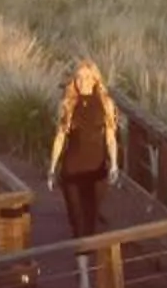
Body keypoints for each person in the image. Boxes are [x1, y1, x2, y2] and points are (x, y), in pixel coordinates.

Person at [46, 58, 121, 240]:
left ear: (95, 79)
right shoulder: (68, 104)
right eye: (79, 77)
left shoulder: (105, 104)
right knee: (77, 220)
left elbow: (110, 138)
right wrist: (52, 168)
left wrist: (114, 164)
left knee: (91, 218)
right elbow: (60, 137)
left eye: (88, 77)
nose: (83, 81)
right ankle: (83, 268)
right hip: (72, 168)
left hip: (96, 169)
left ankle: (87, 256)